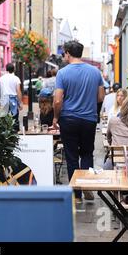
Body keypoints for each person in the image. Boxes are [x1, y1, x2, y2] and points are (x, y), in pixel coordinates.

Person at [52, 41, 105, 203]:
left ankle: (76, 195)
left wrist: (55, 117)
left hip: (69, 119)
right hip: (89, 119)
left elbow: (57, 100)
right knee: (87, 153)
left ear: (67, 53)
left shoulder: (62, 73)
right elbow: (101, 97)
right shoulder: (95, 72)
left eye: (63, 54)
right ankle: (87, 185)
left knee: (72, 155)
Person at [0, 63, 23, 132]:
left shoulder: (1, 78)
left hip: (3, 100)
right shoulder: (16, 78)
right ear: (14, 69)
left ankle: (5, 135)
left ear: (6, 69)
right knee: (14, 118)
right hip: (13, 100)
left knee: (4, 118)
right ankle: (14, 134)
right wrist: (20, 103)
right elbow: (18, 91)